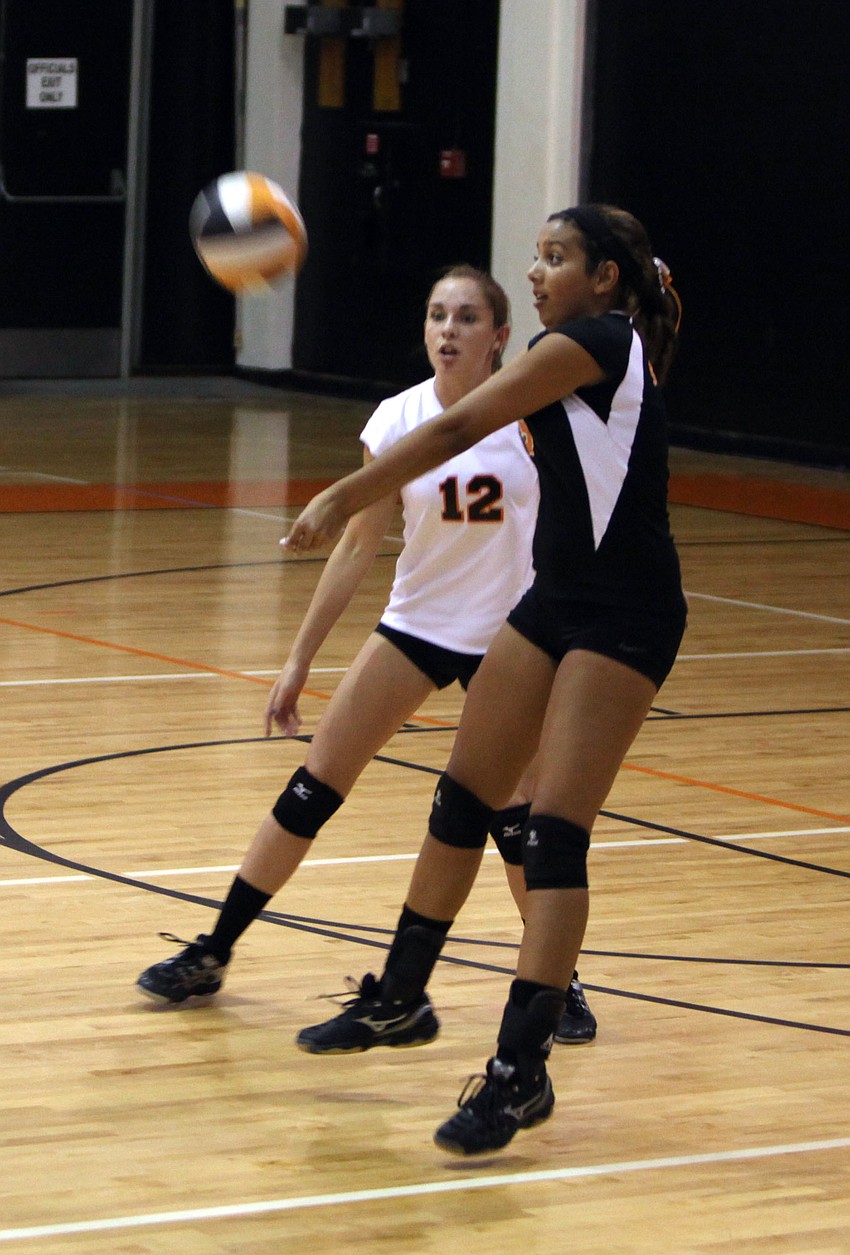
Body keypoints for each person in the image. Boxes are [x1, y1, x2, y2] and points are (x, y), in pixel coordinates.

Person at [283, 204, 686, 1155]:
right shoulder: (606, 338)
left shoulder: (585, 342)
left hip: (625, 615)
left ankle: (518, 1073)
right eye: (536, 256)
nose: (538, 271)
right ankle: (400, 997)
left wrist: (346, 490)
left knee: (551, 834)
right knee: (462, 800)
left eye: (557, 258)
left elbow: (462, 423)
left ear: (606, 281)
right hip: (556, 599)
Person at [136, 264, 597, 1046]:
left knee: (518, 818)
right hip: (417, 624)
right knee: (313, 784)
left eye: (466, 317)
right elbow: (357, 547)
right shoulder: (396, 418)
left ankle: (560, 987)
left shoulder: (531, 420)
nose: (447, 330)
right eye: (435, 315)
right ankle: (214, 948)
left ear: (500, 337)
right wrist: (298, 658)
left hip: (509, 642)